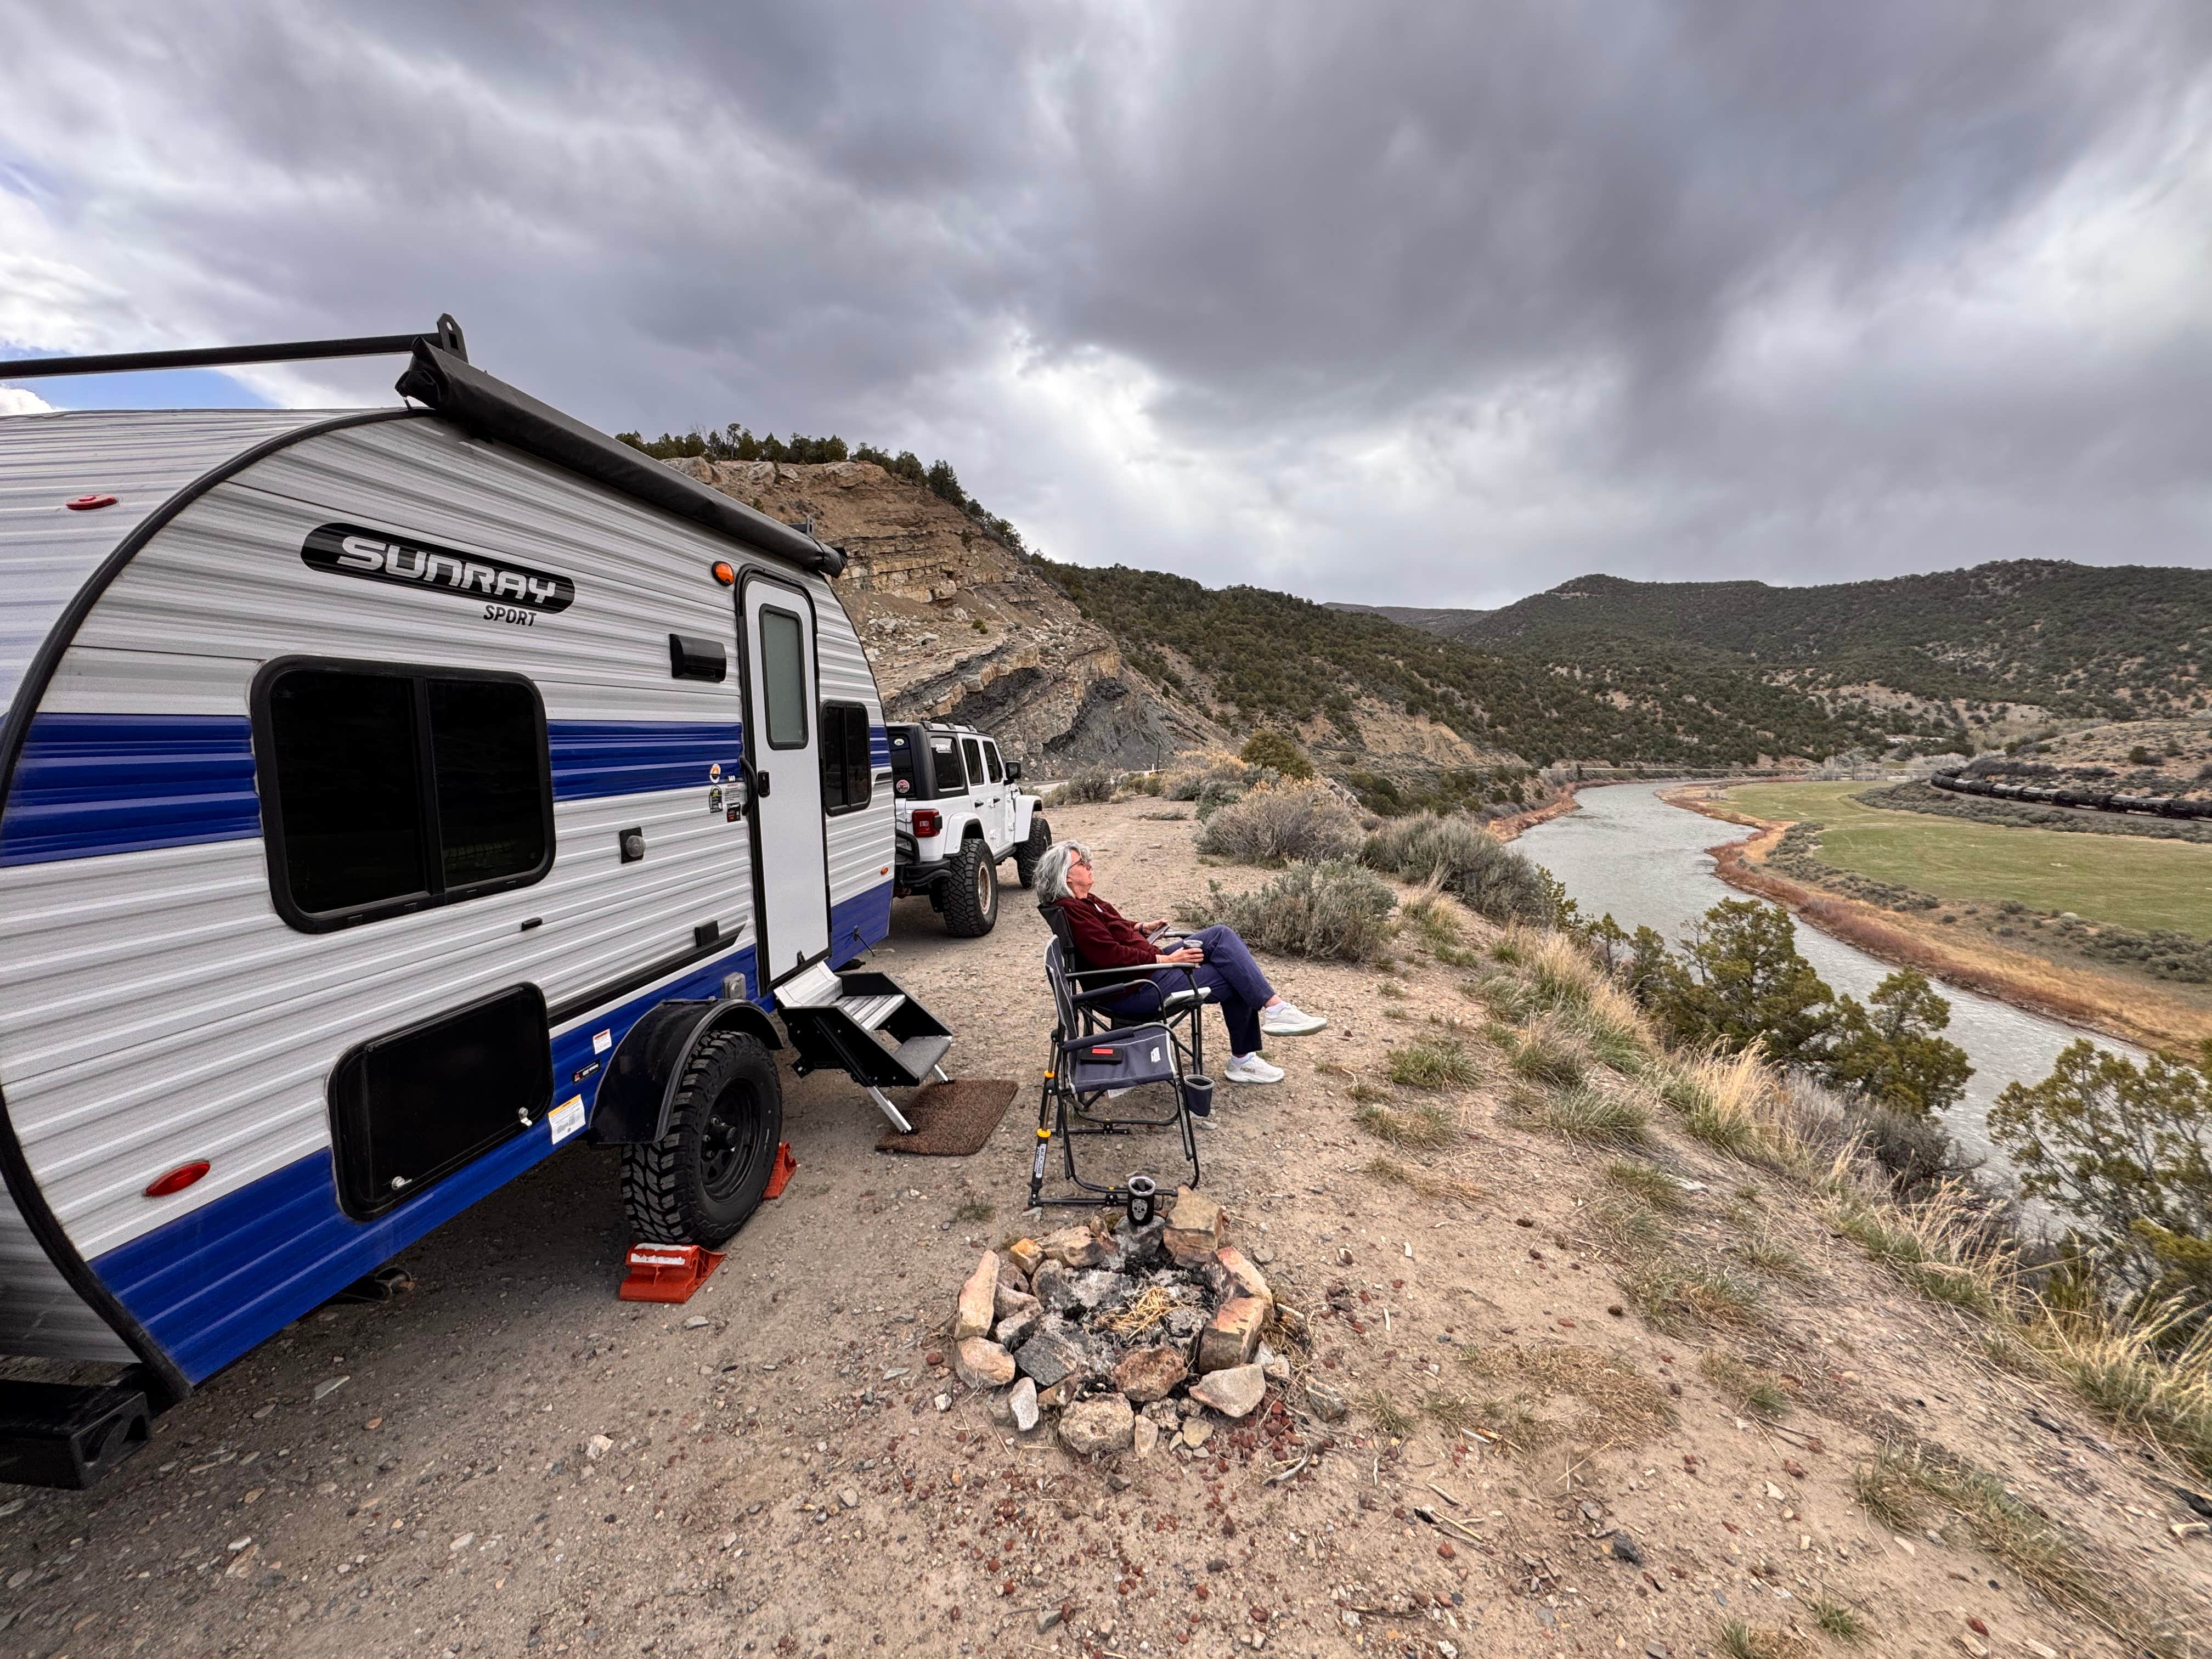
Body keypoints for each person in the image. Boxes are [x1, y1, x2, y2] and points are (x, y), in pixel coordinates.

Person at [1034, 839, 1325, 1084]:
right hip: (1134, 986)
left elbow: (1114, 925)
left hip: (1144, 971)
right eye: (1081, 863)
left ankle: (1273, 1012)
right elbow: (1110, 955)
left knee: (1219, 937)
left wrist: (1140, 928)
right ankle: (1247, 1054)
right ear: (1067, 876)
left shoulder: (1086, 902)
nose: (1088, 865)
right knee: (1233, 976)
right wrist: (1166, 959)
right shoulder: (1073, 911)